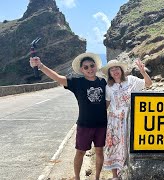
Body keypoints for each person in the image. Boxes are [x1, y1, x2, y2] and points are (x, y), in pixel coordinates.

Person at [30, 52, 107, 180]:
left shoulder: (102, 82)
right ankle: (77, 177)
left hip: (101, 124)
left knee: (99, 151)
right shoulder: (77, 82)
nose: (89, 69)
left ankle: (97, 177)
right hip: (84, 125)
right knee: (80, 152)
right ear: (82, 70)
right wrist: (41, 66)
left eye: (92, 65)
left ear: (96, 66)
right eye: (86, 67)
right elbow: (58, 78)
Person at [101, 59, 152, 179]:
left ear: (121, 70)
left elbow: (148, 84)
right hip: (115, 122)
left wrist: (143, 72)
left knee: (130, 146)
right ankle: (115, 176)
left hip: (131, 120)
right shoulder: (108, 87)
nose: (115, 71)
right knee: (113, 147)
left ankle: (129, 173)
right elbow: (106, 105)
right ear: (109, 73)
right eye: (112, 70)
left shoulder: (132, 80)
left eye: (117, 68)